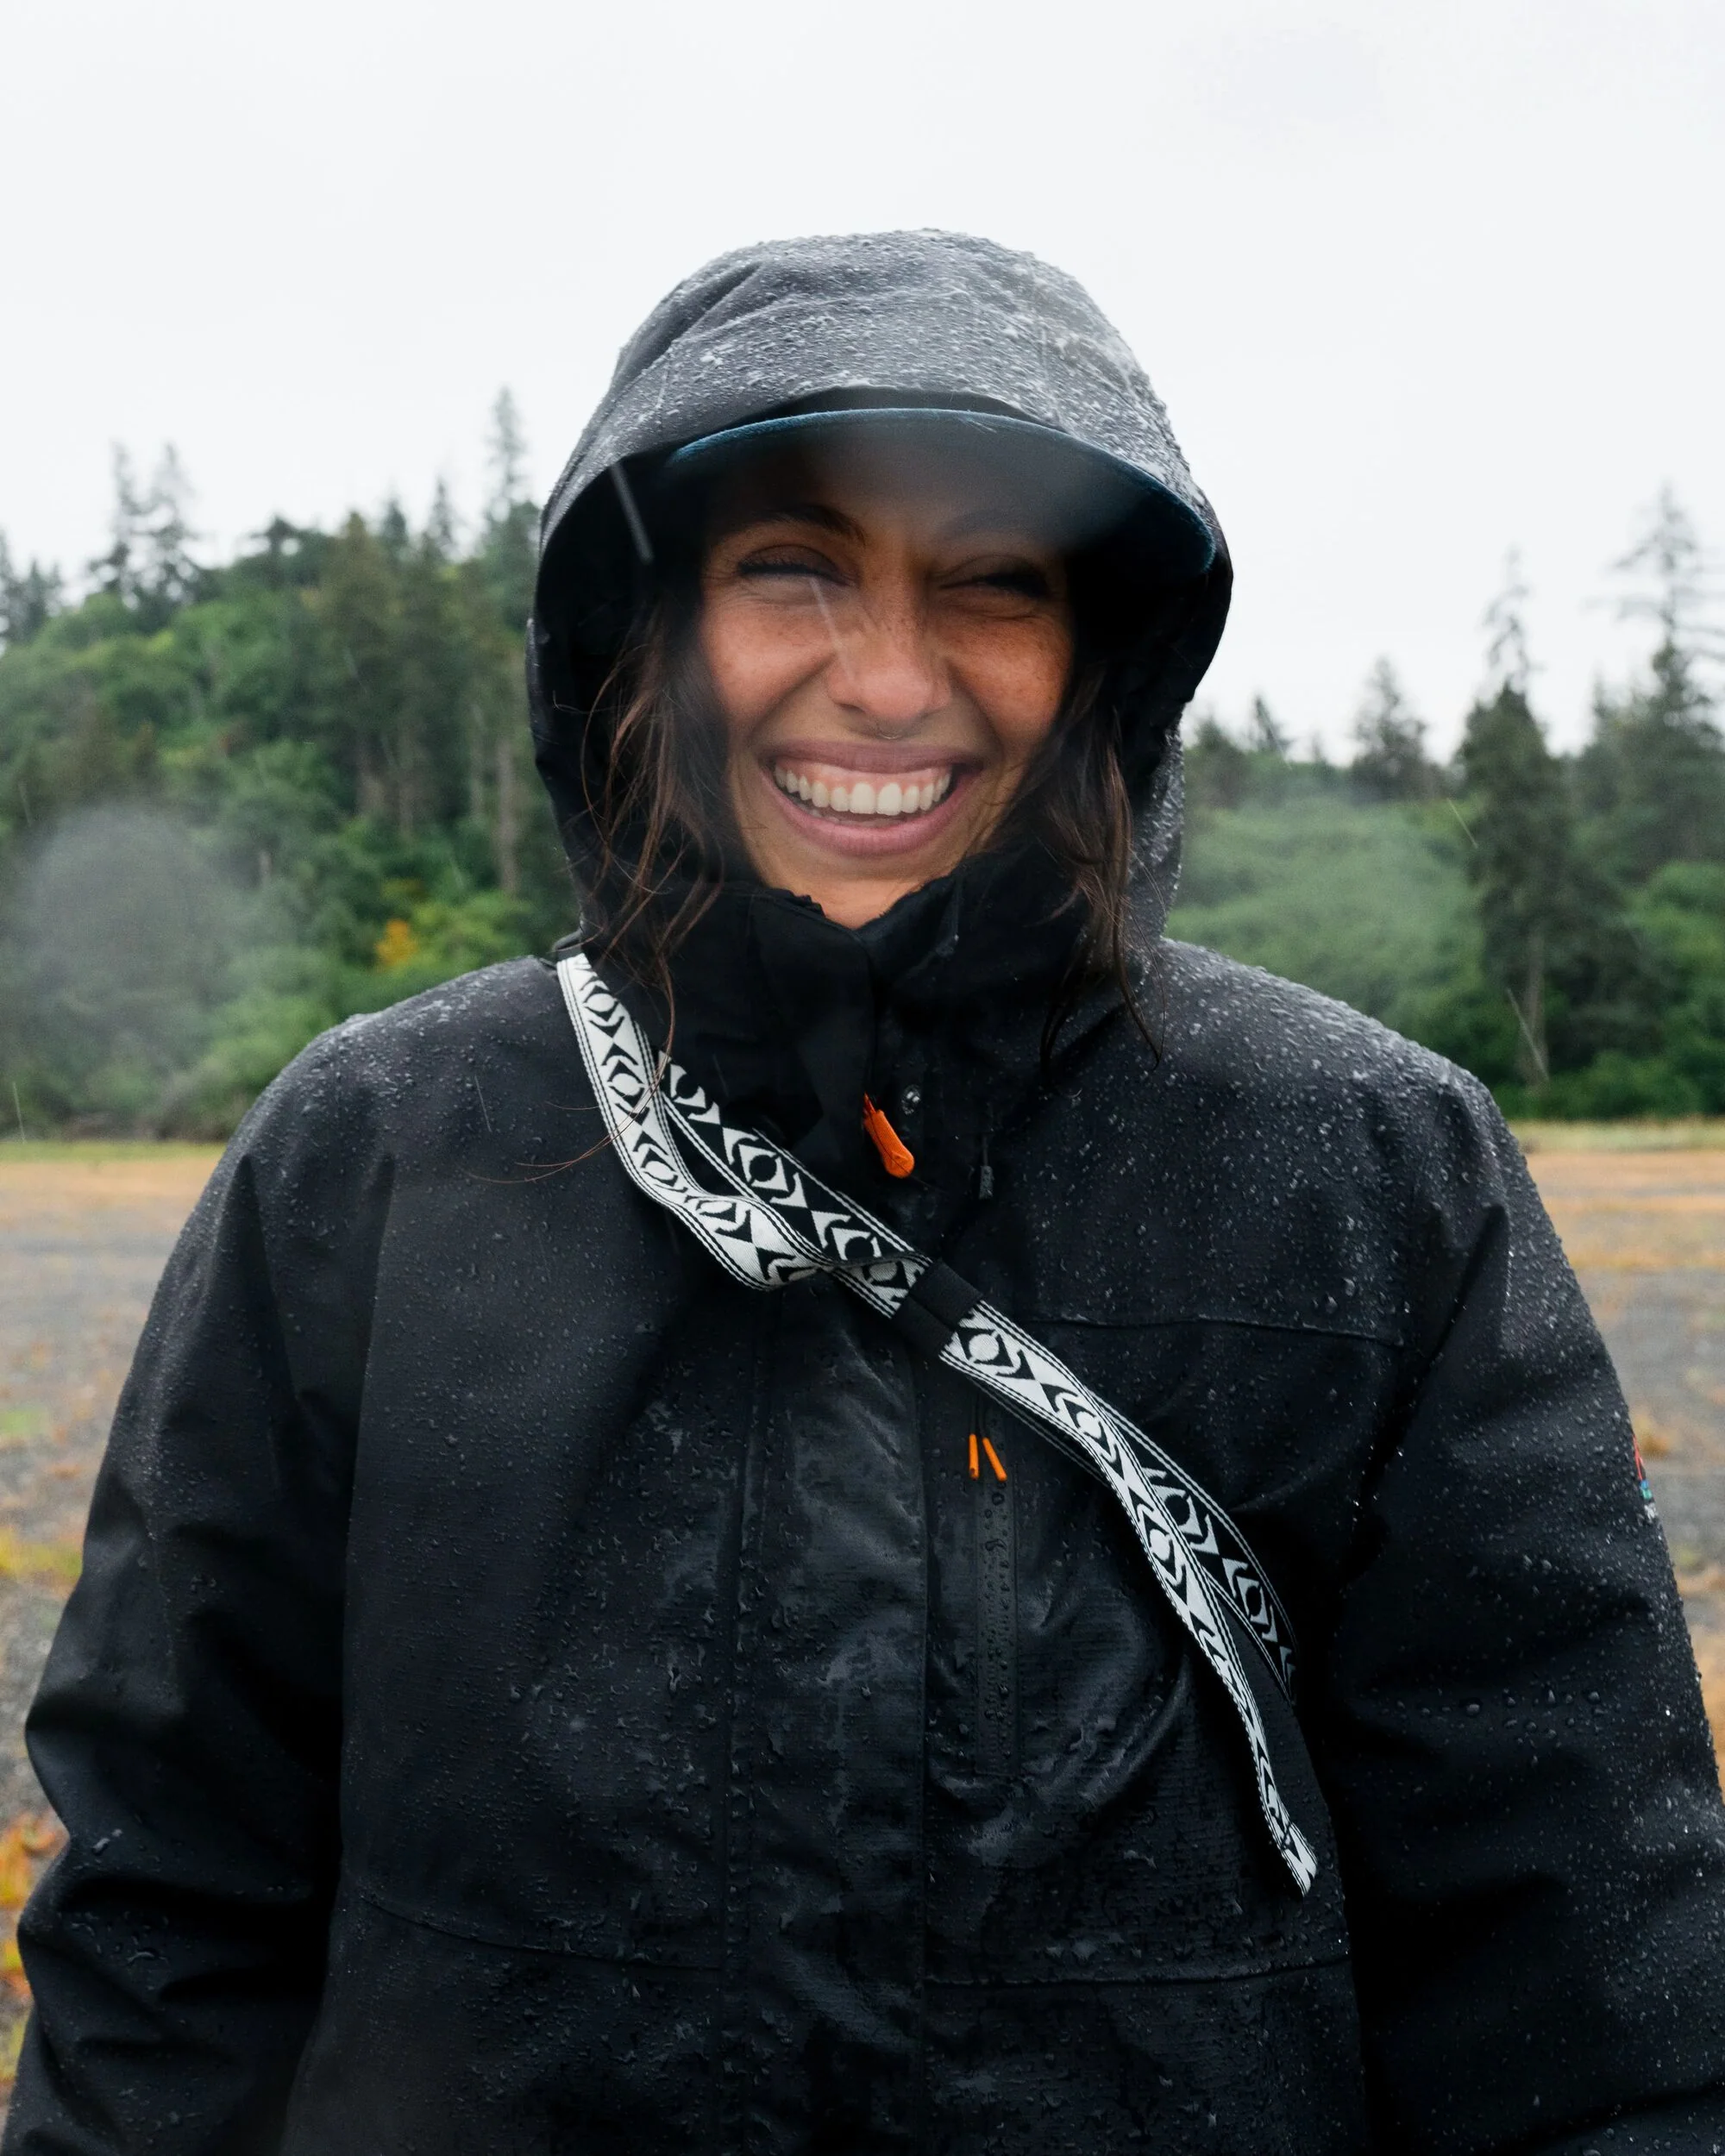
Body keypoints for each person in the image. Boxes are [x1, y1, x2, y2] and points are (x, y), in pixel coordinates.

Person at [8, 229, 1725, 2156]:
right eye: (791, 568)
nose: (891, 681)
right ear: (652, 626)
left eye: (993, 582)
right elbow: (169, 1925)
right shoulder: (374, 1150)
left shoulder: (1372, 1166)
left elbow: (1583, 1981)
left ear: (1101, 653)